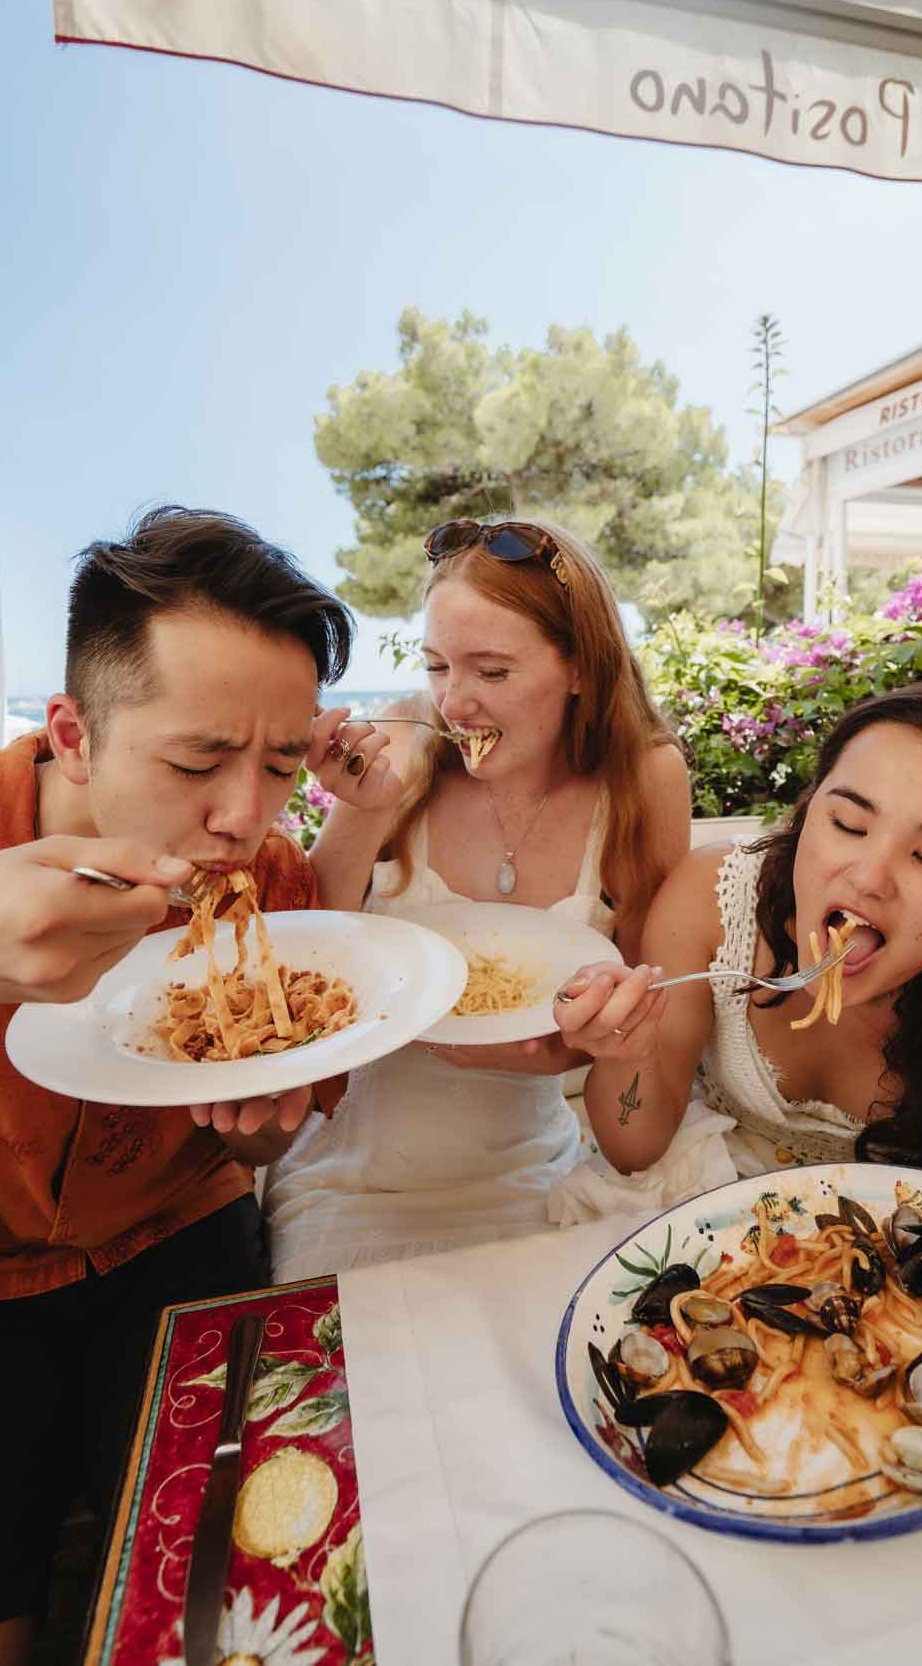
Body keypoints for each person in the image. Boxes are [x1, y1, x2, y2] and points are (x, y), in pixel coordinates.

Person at [0, 505, 392, 1666]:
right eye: (195, 762)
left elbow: (264, 1144)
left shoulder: (276, 889)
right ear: (72, 734)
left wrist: (262, 1133)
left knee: (251, 1612)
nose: (244, 817)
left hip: (179, 1245)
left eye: (281, 766)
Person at [553, 680, 922, 1290]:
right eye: (847, 823)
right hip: (708, 1228)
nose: (869, 878)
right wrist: (626, 1054)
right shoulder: (715, 898)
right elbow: (634, 1148)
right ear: (809, 811)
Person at [264, 517, 692, 1278]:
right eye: (437, 666)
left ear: (580, 668)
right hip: (354, 1179)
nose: (454, 702)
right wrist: (362, 809)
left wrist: (567, 1049)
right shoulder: (402, 748)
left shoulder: (644, 780)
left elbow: (639, 1007)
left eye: (491, 672)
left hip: (534, 1173)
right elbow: (303, 963)